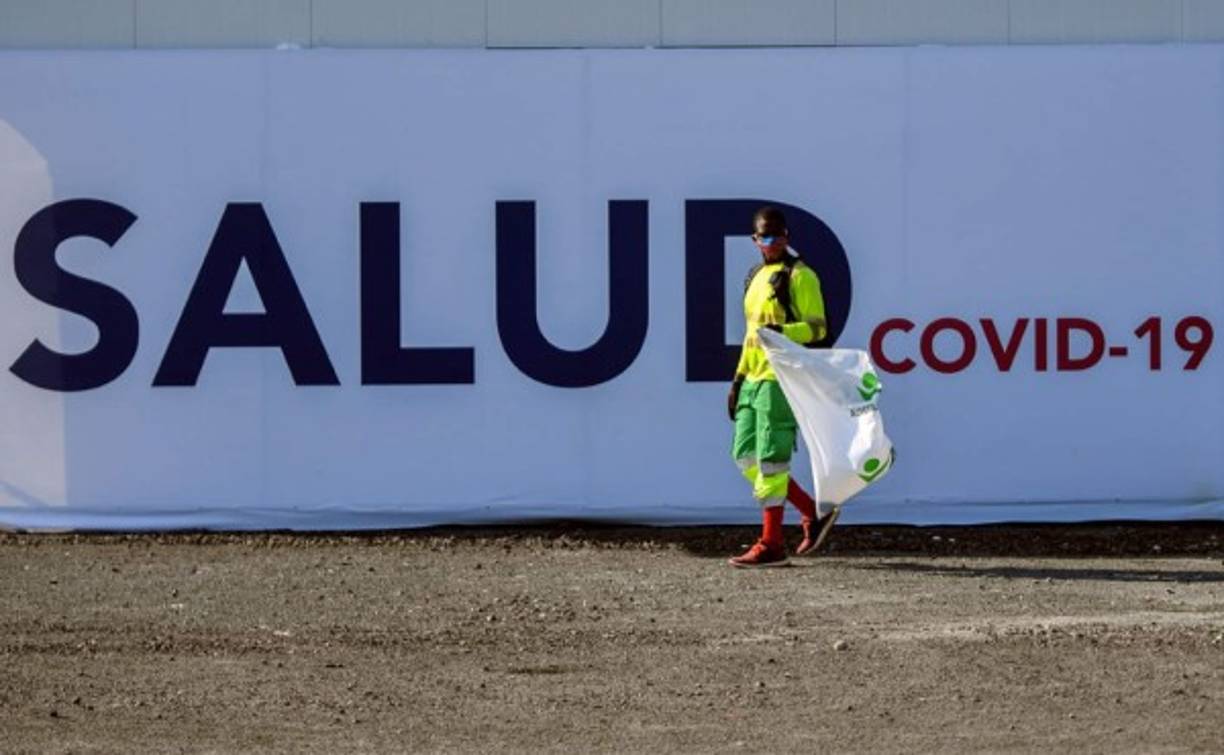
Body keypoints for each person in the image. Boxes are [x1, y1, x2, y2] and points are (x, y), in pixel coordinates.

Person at [727, 206, 838, 568]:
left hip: (782, 376)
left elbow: (819, 328)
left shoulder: (801, 275)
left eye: (777, 236)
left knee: (773, 461)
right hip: (754, 378)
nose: (771, 243)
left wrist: (784, 333)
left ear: (788, 236)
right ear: (755, 240)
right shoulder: (755, 277)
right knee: (745, 457)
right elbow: (750, 336)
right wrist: (738, 378)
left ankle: (771, 543)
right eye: (764, 237)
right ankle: (812, 511)